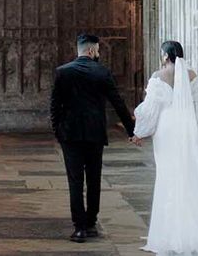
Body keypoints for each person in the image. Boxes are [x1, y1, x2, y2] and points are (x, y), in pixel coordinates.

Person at [132, 40, 198, 255]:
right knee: (189, 176)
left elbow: (151, 109)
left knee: (167, 177)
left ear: (166, 56)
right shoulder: (192, 75)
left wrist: (139, 132)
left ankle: (169, 232)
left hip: (167, 129)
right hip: (187, 128)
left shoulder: (158, 77)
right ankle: (192, 231)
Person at [50, 33, 137, 243]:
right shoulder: (102, 72)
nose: (98, 53)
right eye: (98, 50)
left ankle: (79, 228)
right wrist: (132, 131)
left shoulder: (62, 72)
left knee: (75, 181)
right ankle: (91, 223)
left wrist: (58, 132)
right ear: (91, 50)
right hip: (94, 134)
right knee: (94, 179)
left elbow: (54, 106)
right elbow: (118, 103)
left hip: (70, 135)